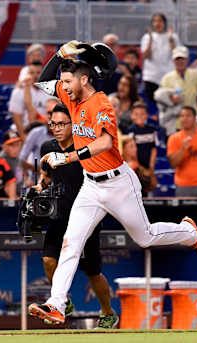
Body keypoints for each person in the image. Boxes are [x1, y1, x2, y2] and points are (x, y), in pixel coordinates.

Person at [28, 41, 197, 325]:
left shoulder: (101, 103)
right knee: (70, 244)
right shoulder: (71, 93)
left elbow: (105, 142)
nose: (62, 86)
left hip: (118, 184)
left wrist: (69, 158)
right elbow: (42, 84)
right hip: (91, 186)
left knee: (145, 237)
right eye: (62, 81)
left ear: (84, 79)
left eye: (67, 80)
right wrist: (61, 53)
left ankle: (188, 232)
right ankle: (56, 304)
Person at [34, 103, 116, 328]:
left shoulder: (86, 148)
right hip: (59, 216)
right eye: (53, 123)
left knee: (93, 272)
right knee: (49, 261)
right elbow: (46, 176)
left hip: (85, 218)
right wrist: (39, 187)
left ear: (73, 124)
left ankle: (108, 312)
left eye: (62, 123)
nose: (56, 128)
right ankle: (63, 302)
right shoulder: (46, 147)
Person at [141, 13, 180, 103]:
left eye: (160, 21)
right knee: (152, 104)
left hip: (169, 76)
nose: (157, 23)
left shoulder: (173, 36)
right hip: (151, 77)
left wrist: (170, 40)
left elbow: (177, 55)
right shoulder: (147, 37)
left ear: (165, 23)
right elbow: (145, 56)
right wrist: (151, 40)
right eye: (155, 21)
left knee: (168, 104)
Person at [160, 46, 197, 111]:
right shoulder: (166, 79)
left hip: (194, 116)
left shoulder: (196, 74)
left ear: (188, 59)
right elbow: (161, 99)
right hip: (175, 117)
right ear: (173, 60)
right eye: (177, 59)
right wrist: (171, 99)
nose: (180, 61)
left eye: (183, 59)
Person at [19, 98, 57, 187]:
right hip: (37, 182)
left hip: (60, 183)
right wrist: (26, 179)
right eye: (49, 113)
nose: (52, 116)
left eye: (55, 112)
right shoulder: (35, 133)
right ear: (45, 114)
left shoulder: (68, 133)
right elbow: (21, 159)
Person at [9, 61, 52, 138]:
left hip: (45, 131)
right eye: (31, 73)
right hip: (22, 131)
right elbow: (17, 118)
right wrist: (24, 137)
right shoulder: (18, 92)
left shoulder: (51, 91)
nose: (35, 76)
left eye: (38, 73)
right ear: (27, 74)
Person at [126, 102, 157, 171]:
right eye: (136, 114)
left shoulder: (152, 130)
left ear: (147, 115)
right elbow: (131, 150)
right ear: (131, 116)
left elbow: (153, 149)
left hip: (149, 165)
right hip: (136, 166)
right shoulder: (130, 130)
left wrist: (151, 166)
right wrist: (138, 166)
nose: (139, 116)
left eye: (142, 114)